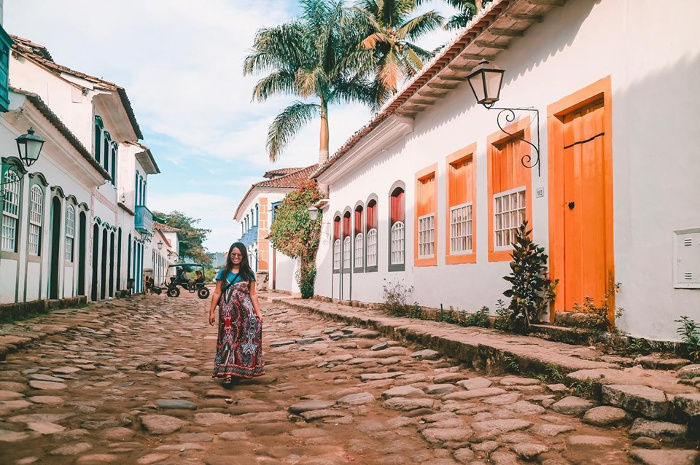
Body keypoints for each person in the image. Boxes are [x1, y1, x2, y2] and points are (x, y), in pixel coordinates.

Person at [209, 242, 265, 386]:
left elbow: (253, 295)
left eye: (239, 255)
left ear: (243, 256)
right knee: (227, 340)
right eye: (233, 254)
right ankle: (227, 373)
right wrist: (211, 311)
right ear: (230, 255)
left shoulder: (248, 273)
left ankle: (239, 369)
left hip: (245, 313)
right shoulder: (223, 273)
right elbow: (217, 292)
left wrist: (258, 313)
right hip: (227, 313)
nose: (236, 257)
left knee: (242, 340)